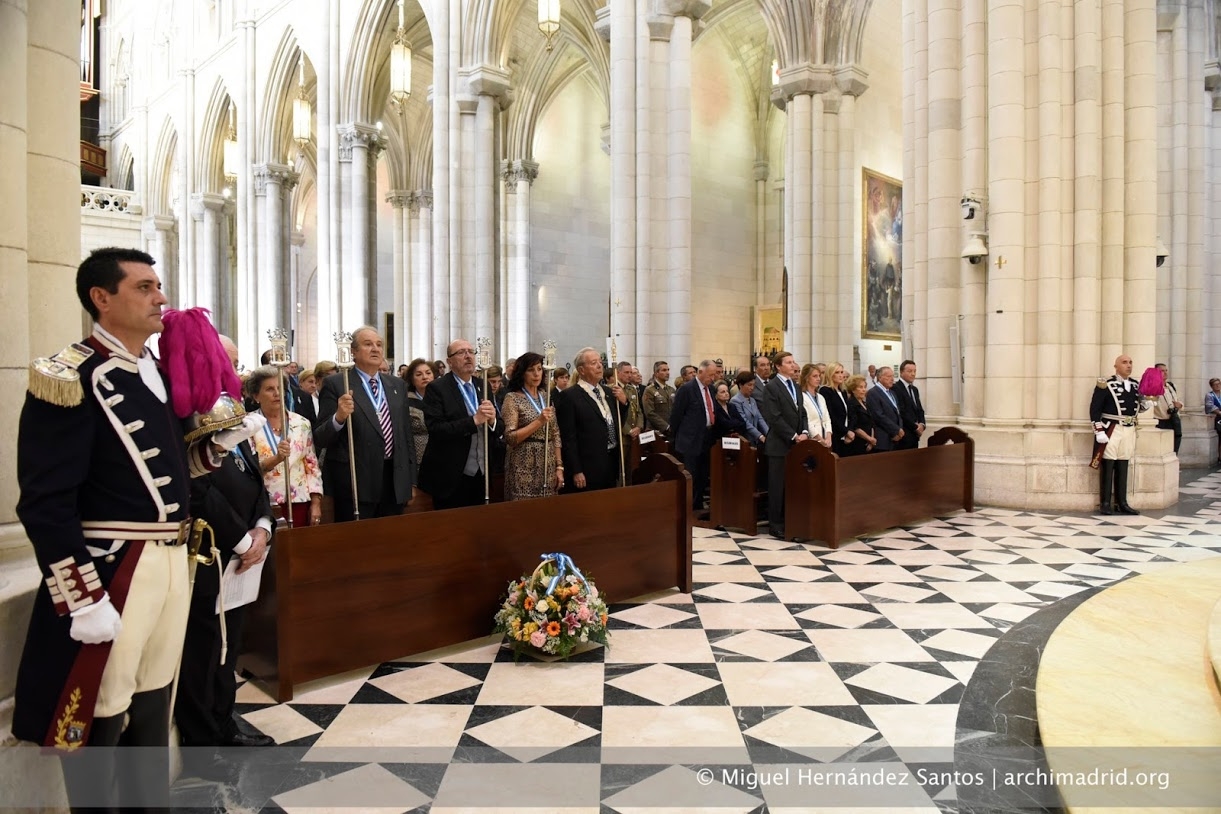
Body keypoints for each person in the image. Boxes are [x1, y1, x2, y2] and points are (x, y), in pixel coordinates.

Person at [11, 248, 236, 810]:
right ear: (102, 298)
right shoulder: (69, 375)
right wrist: (81, 595)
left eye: (158, 286)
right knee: (100, 708)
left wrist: (212, 448)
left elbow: (169, 476)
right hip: (115, 564)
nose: (160, 297)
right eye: (143, 287)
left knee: (154, 698)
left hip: (170, 559)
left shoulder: (157, 374)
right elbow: (44, 500)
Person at [176, 336, 276, 780]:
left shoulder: (232, 410)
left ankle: (224, 721)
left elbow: (254, 478)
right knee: (204, 650)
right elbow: (199, 490)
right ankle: (202, 745)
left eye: (235, 363)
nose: (233, 371)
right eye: (226, 361)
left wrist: (264, 526)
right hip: (211, 551)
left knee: (229, 645)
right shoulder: (189, 415)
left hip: (244, 547)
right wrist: (241, 540)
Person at [314, 327, 417, 521]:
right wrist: (339, 417)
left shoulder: (397, 385)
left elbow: (405, 434)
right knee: (357, 544)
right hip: (356, 481)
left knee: (390, 541)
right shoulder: (337, 384)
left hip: (393, 479)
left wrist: (410, 480)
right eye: (368, 344)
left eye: (379, 345)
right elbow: (320, 437)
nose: (375, 349)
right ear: (353, 351)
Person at [418, 338, 502, 508]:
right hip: (451, 473)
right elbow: (436, 429)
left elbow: (498, 427)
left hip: (482, 471)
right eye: (461, 352)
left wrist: (492, 420)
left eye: (471, 352)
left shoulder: (482, 385)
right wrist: (474, 421)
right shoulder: (437, 388)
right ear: (449, 361)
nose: (468, 356)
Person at [247, 365, 324, 528]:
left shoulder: (301, 423)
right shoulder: (248, 426)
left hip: (300, 501)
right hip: (264, 502)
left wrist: (316, 503)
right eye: (269, 389)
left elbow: (311, 465)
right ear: (256, 395)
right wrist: (276, 459)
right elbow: (248, 470)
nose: (276, 393)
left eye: (280, 388)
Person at [555, 347, 628, 492]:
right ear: (581, 370)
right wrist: (576, 470)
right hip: (587, 464)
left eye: (600, 362)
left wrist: (624, 403)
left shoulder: (609, 392)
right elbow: (568, 437)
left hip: (611, 459)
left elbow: (617, 422)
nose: (600, 366)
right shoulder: (570, 396)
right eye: (593, 363)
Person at [1090, 354, 1149, 515]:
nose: (1128, 365)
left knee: (1123, 463)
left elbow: (1137, 408)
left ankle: (1122, 502)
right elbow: (1095, 410)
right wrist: (1099, 431)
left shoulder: (1136, 386)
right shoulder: (1105, 385)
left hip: (1129, 428)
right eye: (1124, 362)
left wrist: (1146, 405)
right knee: (1108, 464)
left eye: (1130, 362)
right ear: (1116, 366)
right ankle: (1105, 503)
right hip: (1112, 429)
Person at [760, 351, 809, 539]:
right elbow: (774, 417)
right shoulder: (772, 387)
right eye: (788, 362)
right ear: (778, 366)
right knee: (777, 486)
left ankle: (791, 520)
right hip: (779, 445)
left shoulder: (795, 386)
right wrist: (793, 435)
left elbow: (801, 412)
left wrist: (804, 431)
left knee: (792, 485)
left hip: (796, 444)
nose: (793, 365)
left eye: (793, 361)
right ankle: (776, 524)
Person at [501, 351, 563, 500]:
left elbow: (555, 434)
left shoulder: (546, 395)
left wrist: (559, 466)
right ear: (522, 373)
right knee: (524, 511)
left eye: (539, 369)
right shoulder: (512, 398)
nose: (536, 374)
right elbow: (510, 438)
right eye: (531, 370)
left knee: (547, 509)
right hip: (523, 462)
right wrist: (539, 421)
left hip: (547, 461)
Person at [669, 360, 720, 510]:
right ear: (701, 372)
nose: (712, 378)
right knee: (691, 474)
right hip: (690, 439)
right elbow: (676, 415)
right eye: (710, 375)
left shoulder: (710, 389)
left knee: (703, 474)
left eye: (714, 375)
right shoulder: (687, 389)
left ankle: (697, 504)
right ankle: (687, 506)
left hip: (707, 436)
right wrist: (676, 437)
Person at [866, 366, 905, 451]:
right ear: (880, 377)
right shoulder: (873, 393)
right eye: (888, 376)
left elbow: (898, 413)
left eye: (893, 376)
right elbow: (878, 416)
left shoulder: (892, 393)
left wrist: (899, 430)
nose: (892, 379)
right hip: (883, 438)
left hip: (896, 438)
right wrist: (896, 430)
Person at [404, 357, 434, 466]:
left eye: (428, 373)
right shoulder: (406, 401)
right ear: (412, 380)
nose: (425, 377)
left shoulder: (441, 399)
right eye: (419, 374)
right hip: (417, 458)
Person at [729, 370, 768, 448]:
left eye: (753, 385)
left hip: (755, 440)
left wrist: (768, 434)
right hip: (744, 439)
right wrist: (760, 436)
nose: (752, 388)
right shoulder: (735, 401)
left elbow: (760, 419)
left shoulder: (752, 400)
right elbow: (745, 422)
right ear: (740, 385)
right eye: (749, 385)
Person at [893, 360, 926, 450]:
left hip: (915, 435)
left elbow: (919, 409)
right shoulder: (896, 388)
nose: (913, 374)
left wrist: (922, 424)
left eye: (915, 371)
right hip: (905, 433)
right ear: (901, 372)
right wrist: (915, 427)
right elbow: (901, 411)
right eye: (909, 371)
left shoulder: (914, 389)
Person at [820, 362, 852, 454]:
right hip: (835, 434)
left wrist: (850, 430)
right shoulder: (825, 391)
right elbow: (831, 415)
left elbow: (849, 413)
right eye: (837, 372)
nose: (841, 375)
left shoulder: (843, 392)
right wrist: (846, 431)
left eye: (841, 372)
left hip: (847, 435)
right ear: (830, 374)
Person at [799, 364, 833, 448]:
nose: (818, 379)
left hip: (825, 437)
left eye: (819, 376)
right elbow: (808, 421)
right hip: (812, 439)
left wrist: (828, 436)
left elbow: (827, 419)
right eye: (815, 376)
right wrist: (819, 439)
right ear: (807, 378)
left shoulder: (820, 397)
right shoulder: (802, 396)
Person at [1152, 362, 1183, 454]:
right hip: (1160, 421)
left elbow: (1178, 399)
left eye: (1166, 370)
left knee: (1176, 442)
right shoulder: (1153, 387)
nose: (1165, 373)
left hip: (1174, 419)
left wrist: (1180, 405)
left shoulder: (1171, 386)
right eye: (1162, 371)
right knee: (1162, 447)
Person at [842, 375, 877, 455]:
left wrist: (872, 439)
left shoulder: (865, 403)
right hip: (858, 442)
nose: (863, 390)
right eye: (860, 387)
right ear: (853, 390)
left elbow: (871, 422)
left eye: (865, 387)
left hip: (869, 442)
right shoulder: (851, 404)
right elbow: (855, 426)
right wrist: (869, 439)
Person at [643, 361, 676, 436]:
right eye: (664, 370)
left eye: (668, 370)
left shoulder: (671, 390)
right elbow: (650, 413)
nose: (667, 373)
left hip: (671, 430)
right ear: (656, 373)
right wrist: (666, 426)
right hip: (656, 431)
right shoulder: (650, 390)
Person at [1207, 378, 1221, 467]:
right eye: (1215, 384)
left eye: (1219, 384)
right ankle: (1220, 457)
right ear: (1212, 386)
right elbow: (1210, 406)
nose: (1218, 386)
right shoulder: (1210, 395)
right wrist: (1219, 412)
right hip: (1218, 418)